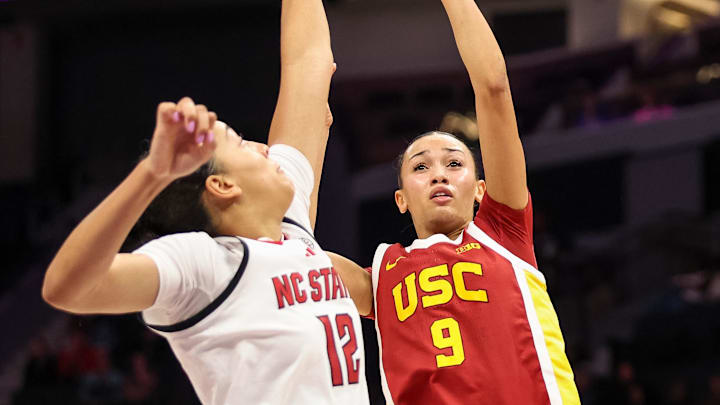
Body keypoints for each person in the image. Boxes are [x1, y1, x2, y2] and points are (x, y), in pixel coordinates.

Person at [41, 0, 370, 404]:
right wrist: (153, 174)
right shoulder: (203, 264)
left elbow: (309, 64)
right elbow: (68, 289)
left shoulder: (289, 223)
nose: (265, 148)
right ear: (222, 185)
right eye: (240, 143)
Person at [328, 0, 581, 404]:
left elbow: (494, 87)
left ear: (481, 189)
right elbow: (291, 252)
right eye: (420, 168)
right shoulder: (380, 274)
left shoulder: (504, 232)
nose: (439, 174)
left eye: (454, 163)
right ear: (401, 199)